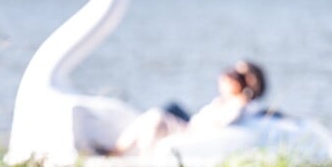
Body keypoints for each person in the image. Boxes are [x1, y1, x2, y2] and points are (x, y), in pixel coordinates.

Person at [111, 60, 268, 156]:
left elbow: (225, 122)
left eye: (236, 76)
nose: (229, 76)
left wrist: (244, 94)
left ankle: (129, 155)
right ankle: (121, 151)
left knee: (156, 116)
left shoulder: (239, 104)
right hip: (192, 125)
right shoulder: (225, 101)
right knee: (166, 109)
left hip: (193, 131)